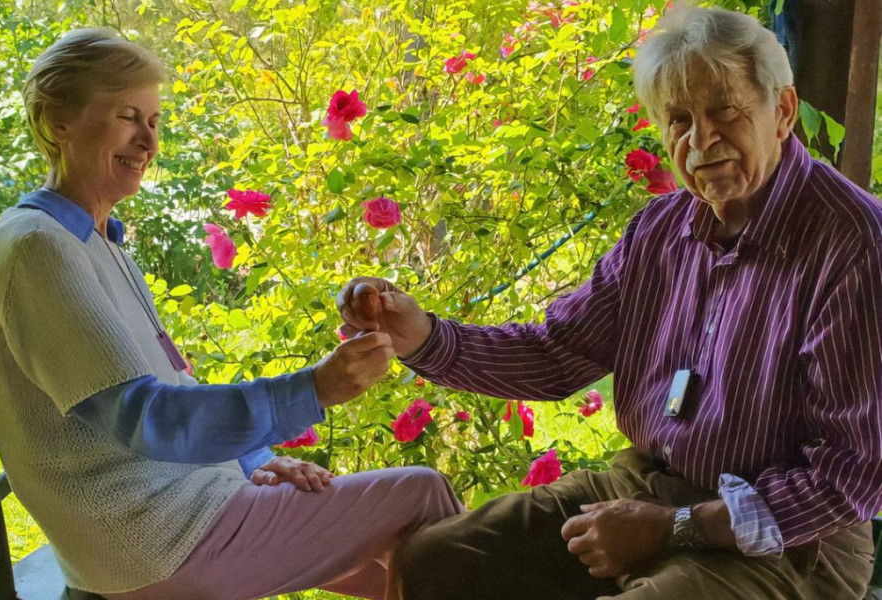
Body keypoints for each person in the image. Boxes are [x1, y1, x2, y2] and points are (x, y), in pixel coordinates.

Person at [337, 5, 882, 600]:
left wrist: (675, 528)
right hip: (647, 485)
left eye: (725, 110)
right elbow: (557, 353)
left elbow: (851, 474)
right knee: (437, 559)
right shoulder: (660, 230)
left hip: (793, 543)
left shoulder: (855, 243)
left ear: (782, 111)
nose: (701, 140)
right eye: (679, 120)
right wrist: (423, 336)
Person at [0, 28, 462, 600]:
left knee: (403, 569)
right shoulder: (37, 247)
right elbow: (147, 419)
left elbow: (174, 384)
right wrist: (315, 388)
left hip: (184, 516)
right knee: (422, 498)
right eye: (128, 117)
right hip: (148, 543)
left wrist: (258, 460)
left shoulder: (100, 243)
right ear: (58, 122)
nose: (148, 141)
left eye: (154, 121)